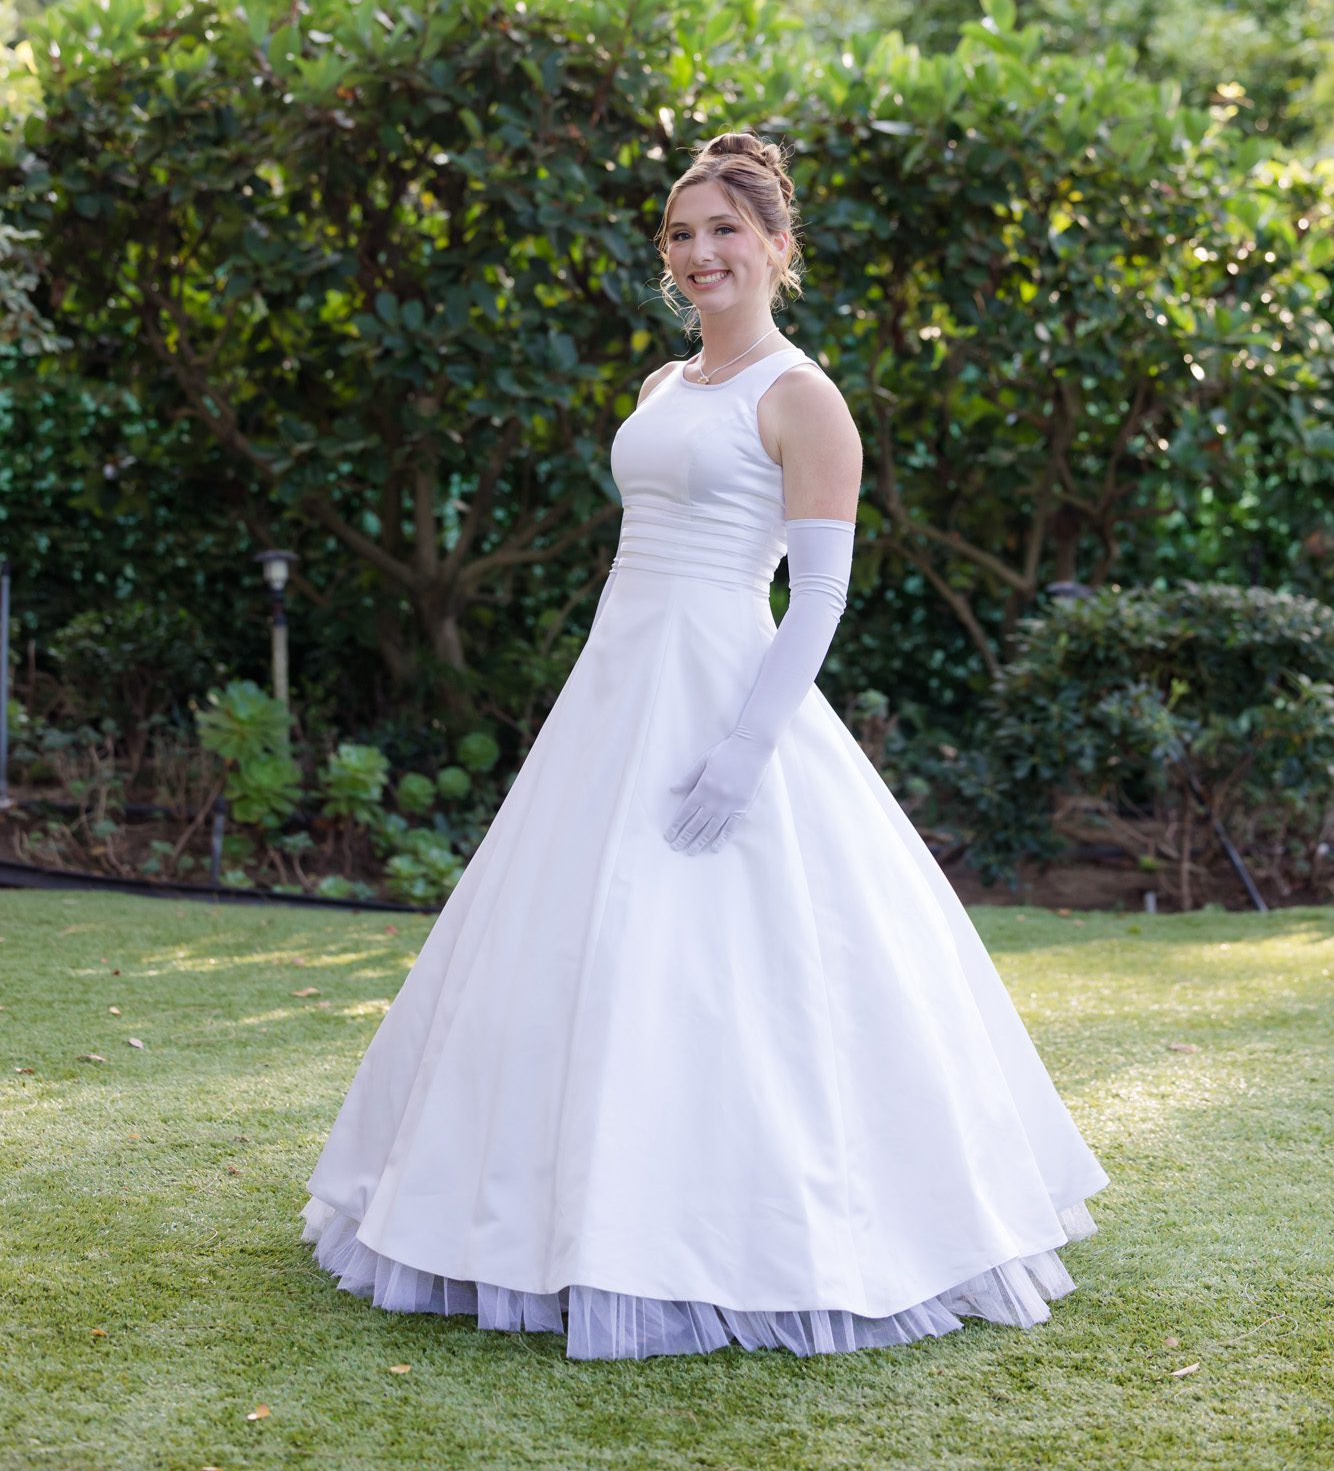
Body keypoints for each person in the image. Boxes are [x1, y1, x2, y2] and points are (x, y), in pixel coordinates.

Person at [300, 128, 1110, 1361]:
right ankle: (528, 1216)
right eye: (681, 234)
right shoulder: (660, 387)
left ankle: (750, 1229)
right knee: (567, 942)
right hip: (616, 686)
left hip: (729, 689)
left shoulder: (803, 395)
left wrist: (743, 747)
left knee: (739, 965)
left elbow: (821, 598)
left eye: (724, 230)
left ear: (778, 247)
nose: (698, 253)